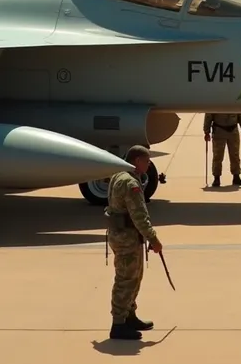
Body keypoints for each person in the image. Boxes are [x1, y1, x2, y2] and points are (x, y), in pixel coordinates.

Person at [105, 145, 163, 340]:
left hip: (120, 235)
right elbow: (139, 216)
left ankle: (129, 316)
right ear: (137, 161)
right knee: (126, 279)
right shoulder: (131, 184)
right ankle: (118, 324)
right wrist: (153, 239)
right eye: (146, 161)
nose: (148, 165)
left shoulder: (118, 176)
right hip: (127, 238)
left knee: (134, 277)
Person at [203, 113, 241, 187]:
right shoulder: (215, 102)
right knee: (218, 155)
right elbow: (208, 115)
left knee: (235, 155)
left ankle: (236, 176)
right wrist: (206, 131)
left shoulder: (234, 101)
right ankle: (216, 178)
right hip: (219, 130)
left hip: (233, 130)